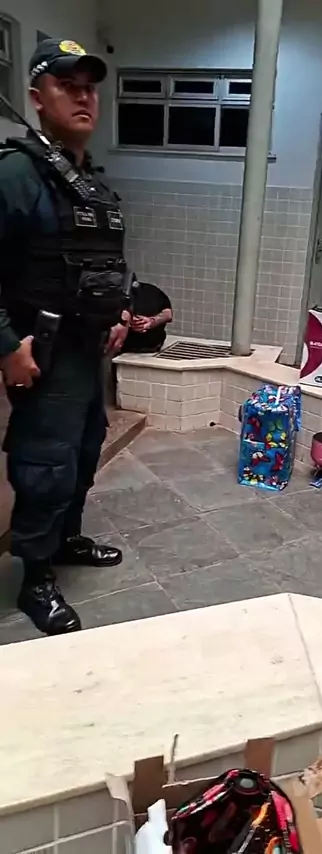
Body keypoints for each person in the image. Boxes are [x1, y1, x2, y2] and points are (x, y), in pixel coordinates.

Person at [0, 39, 133, 635]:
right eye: (66, 86)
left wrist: (123, 311)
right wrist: (7, 344)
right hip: (42, 351)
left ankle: (65, 540)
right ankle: (35, 576)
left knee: (81, 453)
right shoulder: (16, 173)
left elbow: (105, 262)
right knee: (45, 463)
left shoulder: (89, 181)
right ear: (37, 97)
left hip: (88, 350)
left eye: (89, 88)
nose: (83, 97)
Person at [123, 282, 173, 353]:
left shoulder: (151, 291)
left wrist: (152, 321)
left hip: (151, 346)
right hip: (124, 348)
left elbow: (168, 315)